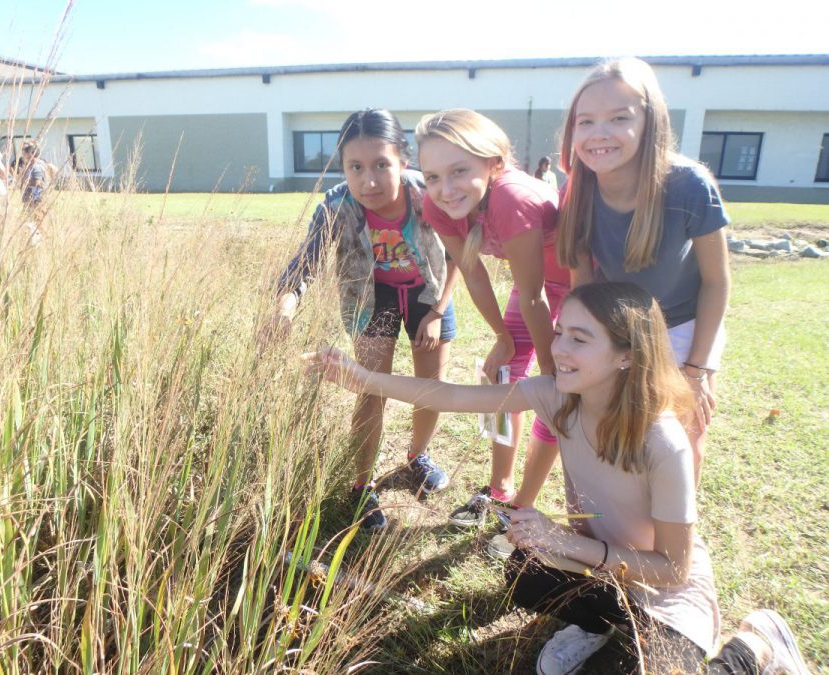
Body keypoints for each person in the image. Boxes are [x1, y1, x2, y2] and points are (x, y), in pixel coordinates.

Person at [304, 282, 811, 675]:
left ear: (627, 355)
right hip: (601, 567)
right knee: (522, 568)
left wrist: (561, 539)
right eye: (560, 331)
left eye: (580, 338)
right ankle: (599, 622)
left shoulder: (664, 443)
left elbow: (673, 569)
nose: (559, 347)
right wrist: (363, 378)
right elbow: (451, 395)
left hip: (663, 589)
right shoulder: (554, 395)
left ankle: (755, 645)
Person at [271, 108, 459, 532]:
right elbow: (303, 266)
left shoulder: (427, 196)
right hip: (370, 299)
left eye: (381, 165)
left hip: (429, 294)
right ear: (343, 167)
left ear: (403, 161)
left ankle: (417, 456)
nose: (368, 180)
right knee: (370, 388)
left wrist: (438, 310)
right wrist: (285, 308)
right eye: (355, 167)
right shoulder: (335, 207)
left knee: (431, 390)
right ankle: (361, 485)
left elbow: (458, 253)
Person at [556, 57, 731, 484]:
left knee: (681, 434)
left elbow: (717, 281)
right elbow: (585, 287)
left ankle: (676, 540)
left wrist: (697, 371)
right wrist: (582, 343)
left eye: (619, 118)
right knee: (613, 425)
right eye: (586, 121)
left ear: (649, 121)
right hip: (620, 327)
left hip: (684, 324)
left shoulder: (689, 184)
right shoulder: (577, 190)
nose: (599, 133)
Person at [415, 109, 569, 540]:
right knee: (497, 377)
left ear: (492, 162)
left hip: (579, 286)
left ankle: (524, 503)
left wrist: (552, 374)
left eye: (459, 170)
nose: (445, 190)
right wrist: (502, 338)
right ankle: (499, 491)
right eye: (431, 177)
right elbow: (473, 271)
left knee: (557, 393)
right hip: (536, 286)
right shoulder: (438, 204)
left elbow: (537, 294)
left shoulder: (510, 198)